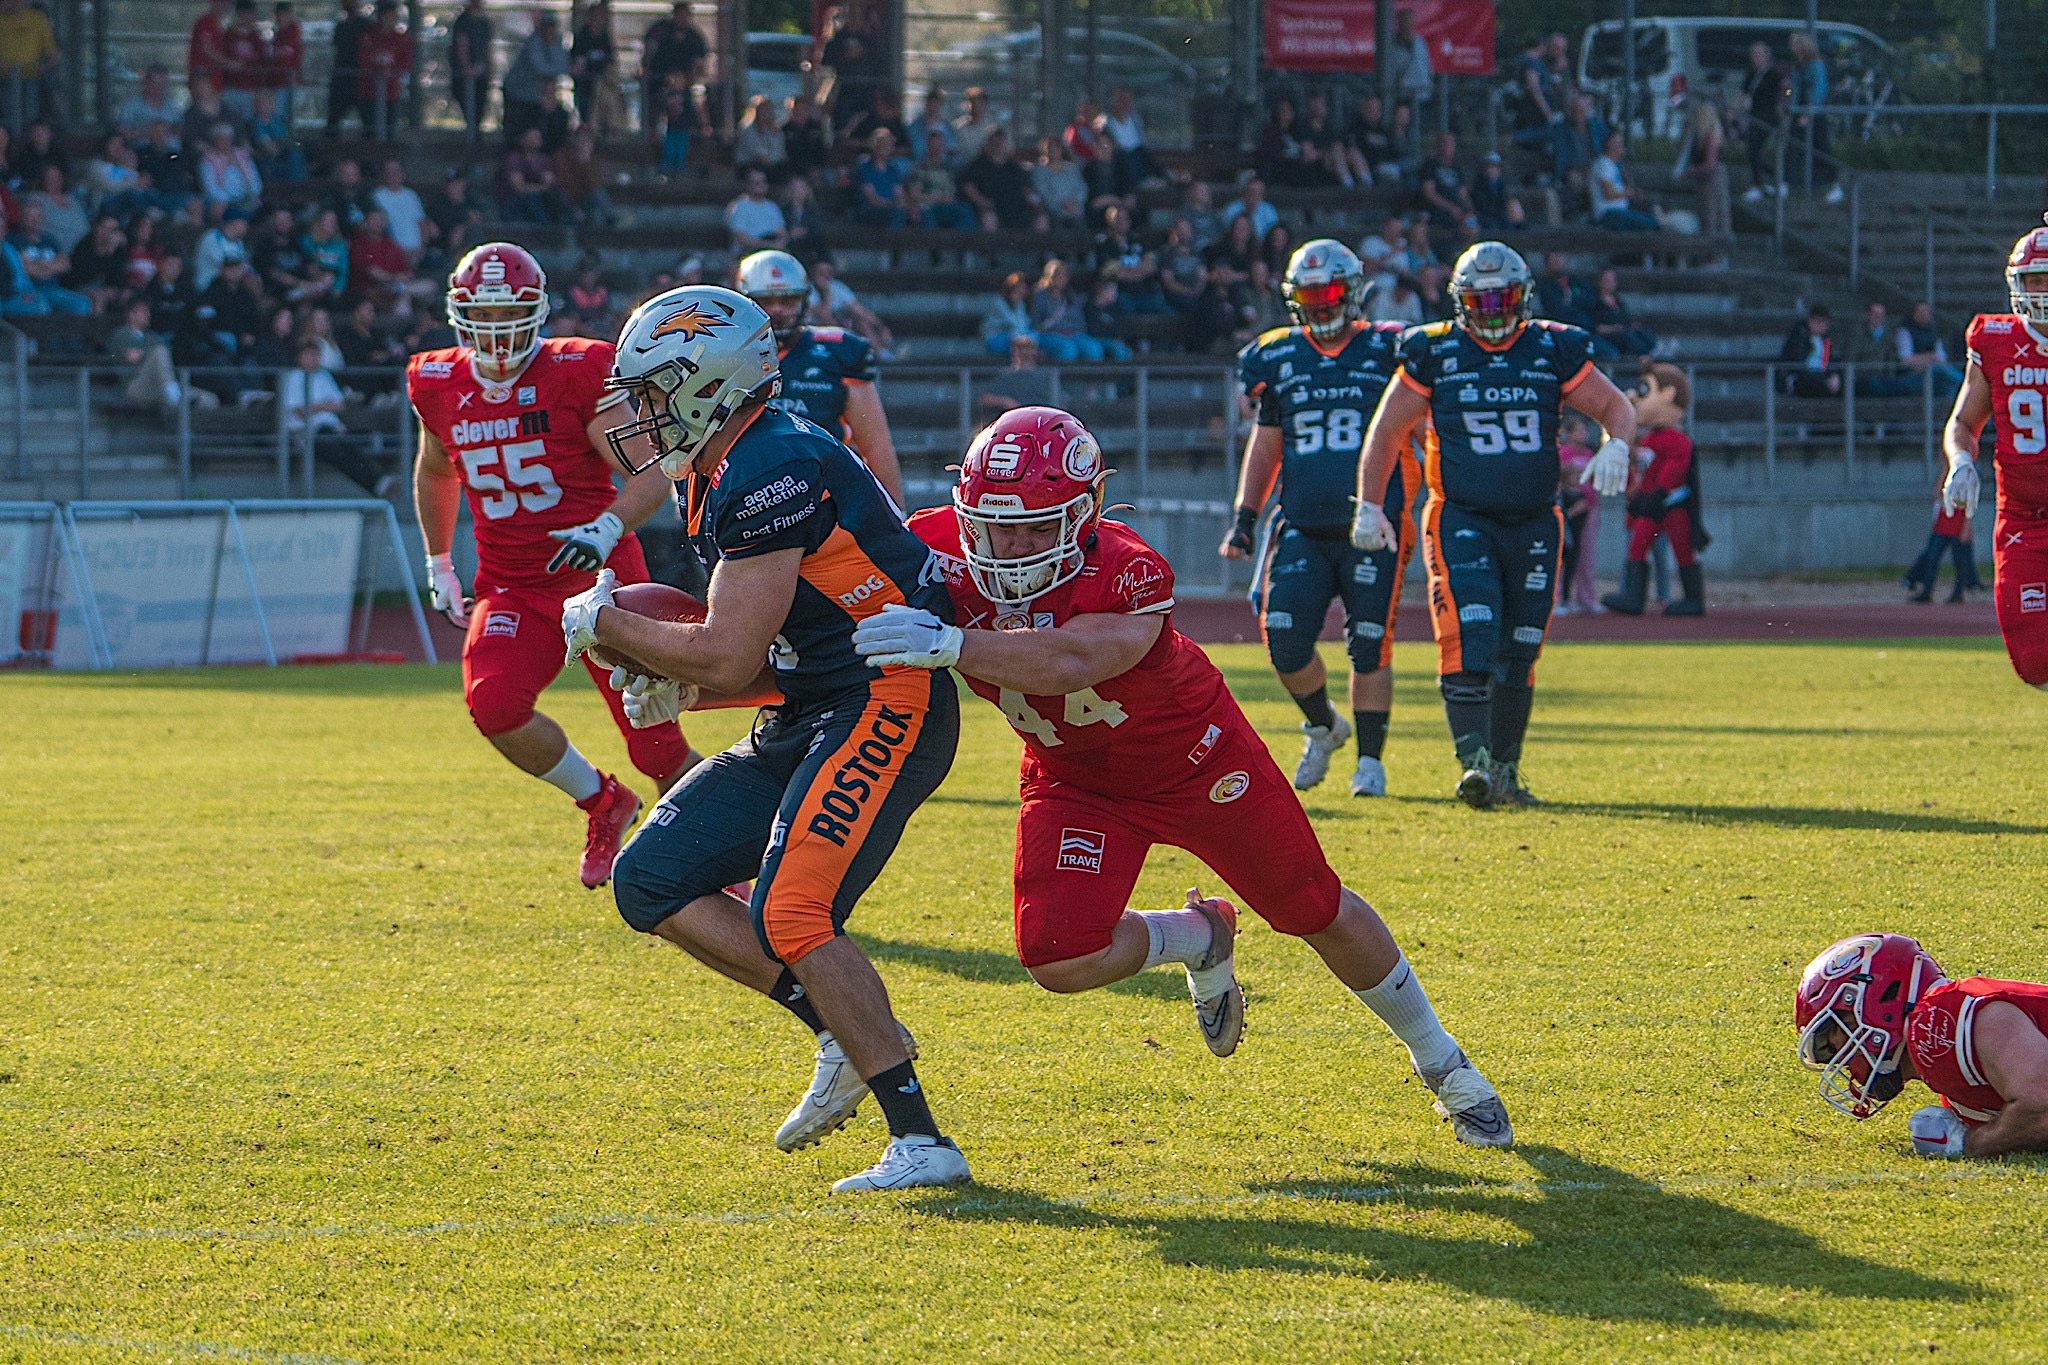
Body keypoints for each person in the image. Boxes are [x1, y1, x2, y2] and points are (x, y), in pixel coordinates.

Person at [861, 405, 1513, 1147]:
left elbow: (1072, 659)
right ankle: (1199, 936)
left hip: (1198, 762)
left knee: (1311, 906)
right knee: (1058, 954)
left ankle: (1445, 1064)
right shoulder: (930, 546)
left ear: (1085, 515)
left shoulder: (1129, 569)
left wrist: (948, 640)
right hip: (1073, 777)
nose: (1011, 545)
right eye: (996, 524)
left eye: (1038, 528)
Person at [584, 284, 969, 1194]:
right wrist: (682, 684)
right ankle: (836, 1028)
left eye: (653, 391)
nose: (639, 413)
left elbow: (723, 649)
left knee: (792, 911)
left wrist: (600, 618)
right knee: (648, 879)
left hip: (889, 697)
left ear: (709, 384)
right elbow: (776, 648)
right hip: (816, 700)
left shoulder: (768, 470)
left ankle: (921, 1138)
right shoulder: (725, 462)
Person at [408, 242, 699, 889]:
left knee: (652, 735)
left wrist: (605, 525)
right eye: (479, 314)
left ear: (535, 312)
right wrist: (437, 559)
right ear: (458, 315)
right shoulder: (436, 380)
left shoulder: (576, 369)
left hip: (598, 581)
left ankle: (716, 856)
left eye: (506, 312)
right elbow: (434, 470)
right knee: (495, 705)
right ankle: (603, 802)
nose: (493, 329)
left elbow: (654, 472)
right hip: (512, 583)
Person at [1352, 240, 1637, 807]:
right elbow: (1386, 430)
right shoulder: (1433, 351)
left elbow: (1615, 407)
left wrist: (1619, 443)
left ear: (1523, 296)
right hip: (1462, 516)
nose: (1490, 312)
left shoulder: (1552, 347)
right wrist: (1369, 503)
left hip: (1535, 520)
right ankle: (1473, 761)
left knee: (1521, 648)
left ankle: (1506, 770)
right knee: (1471, 637)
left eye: (1501, 298)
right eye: (1479, 301)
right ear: (1460, 301)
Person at [1225, 241, 1415, 798]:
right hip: (1303, 524)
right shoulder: (1277, 355)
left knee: (1370, 642)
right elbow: (1267, 444)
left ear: (1353, 291)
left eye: (1331, 292)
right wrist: (1245, 517)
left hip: (1375, 523)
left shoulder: (1389, 347)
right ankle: (1324, 725)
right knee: (1282, 637)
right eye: (1311, 294)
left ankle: (1371, 762)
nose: (1323, 304)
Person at [1794, 933, 2048, 1159]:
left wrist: (1966, 1143)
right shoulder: (1948, 1075)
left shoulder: (1944, 1018)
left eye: (1837, 1031)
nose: (1840, 1056)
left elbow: (2041, 1109)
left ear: (1883, 1000)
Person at [1937, 221, 2048, 688]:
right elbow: (1964, 422)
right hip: (2024, 518)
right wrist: (1961, 462)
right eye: (2033, 279)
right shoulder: (1996, 341)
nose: (2041, 289)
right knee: (2037, 662)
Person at [733, 249, 902, 504]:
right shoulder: (725, 355)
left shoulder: (838, 351)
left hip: (823, 499)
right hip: (742, 496)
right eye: (766, 300)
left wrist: (897, 516)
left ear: (803, 301)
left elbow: (875, 447)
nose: (777, 310)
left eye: (787, 301)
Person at [1600, 362, 1705, 618]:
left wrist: (1657, 493)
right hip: (1651, 504)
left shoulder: (1678, 440)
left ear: (1668, 395)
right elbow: (1643, 469)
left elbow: (1674, 470)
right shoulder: (1649, 439)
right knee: (1637, 547)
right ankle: (1634, 597)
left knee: (1682, 550)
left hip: (1671, 504)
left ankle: (1693, 599)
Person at [638, 0, 706, 157]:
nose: (683, 18)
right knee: (657, 109)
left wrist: (685, 80)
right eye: (679, 14)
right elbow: (648, 56)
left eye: (686, 15)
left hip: (684, 87)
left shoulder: (694, 37)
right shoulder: (661, 30)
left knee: (691, 107)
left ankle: (700, 136)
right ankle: (654, 139)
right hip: (658, 83)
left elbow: (699, 65)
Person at [1904, 473, 1982, 604]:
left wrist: (1967, 526)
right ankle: (1927, 591)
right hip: (1943, 522)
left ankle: (1958, 593)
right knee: (1932, 557)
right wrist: (1944, 470)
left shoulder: (1967, 474)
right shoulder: (1947, 474)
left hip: (1958, 523)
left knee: (1959, 561)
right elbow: (1936, 495)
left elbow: (1971, 502)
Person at [1788, 30, 1841, 206]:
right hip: (1798, 111)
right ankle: (1790, 182)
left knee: (1821, 147)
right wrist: (1790, 104)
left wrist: (1809, 112)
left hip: (1814, 113)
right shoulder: (1797, 66)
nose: (1792, 47)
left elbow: (1819, 89)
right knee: (1794, 146)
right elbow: (1793, 89)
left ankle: (1835, 184)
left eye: (1795, 44)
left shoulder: (1815, 65)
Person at [958, 128, 1043, 232]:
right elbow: (969, 188)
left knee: (1041, 218)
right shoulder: (977, 165)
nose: (997, 145)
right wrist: (982, 202)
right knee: (989, 218)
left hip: (1017, 207)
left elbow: (1027, 189)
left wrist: (1035, 202)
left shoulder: (1014, 166)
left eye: (1000, 142)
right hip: (991, 207)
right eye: (994, 142)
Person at [501, 9, 567, 144]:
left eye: (552, 26)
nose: (549, 30)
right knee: (518, 134)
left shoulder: (557, 41)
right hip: (518, 94)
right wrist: (567, 69)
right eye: (546, 26)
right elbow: (542, 68)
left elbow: (562, 61)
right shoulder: (533, 42)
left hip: (537, 99)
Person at [1555, 414, 1599, 615]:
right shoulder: (1563, 454)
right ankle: (1559, 597)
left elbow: (1592, 484)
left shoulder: (1590, 455)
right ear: (1569, 433)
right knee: (1564, 556)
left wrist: (1587, 502)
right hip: (1568, 510)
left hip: (1586, 509)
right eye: (1578, 430)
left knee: (1585, 557)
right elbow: (1561, 481)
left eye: (1584, 430)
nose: (1583, 434)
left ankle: (1586, 599)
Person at [568, 0, 622, 142]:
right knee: (588, 119)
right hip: (585, 88)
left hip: (603, 88)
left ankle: (611, 133)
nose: (599, 20)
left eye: (601, 16)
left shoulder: (605, 38)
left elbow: (610, 63)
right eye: (596, 16)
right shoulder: (581, 38)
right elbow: (577, 65)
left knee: (609, 100)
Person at [1740, 40, 1787, 202]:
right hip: (1754, 116)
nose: (1756, 58)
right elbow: (1744, 94)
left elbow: (1786, 89)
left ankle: (1760, 184)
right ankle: (1774, 178)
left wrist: (1786, 97)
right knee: (1752, 150)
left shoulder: (1774, 75)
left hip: (1768, 117)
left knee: (1755, 148)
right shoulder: (1751, 74)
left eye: (1759, 54)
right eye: (1754, 54)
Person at [356, 0, 411, 139]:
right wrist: (378, 70)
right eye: (388, 16)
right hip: (369, 92)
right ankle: (368, 160)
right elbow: (363, 60)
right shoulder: (369, 35)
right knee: (370, 131)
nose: (391, 19)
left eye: (393, 16)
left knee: (389, 131)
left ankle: (388, 160)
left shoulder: (401, 39)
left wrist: (391, 73)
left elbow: (405, 64)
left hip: (390, 93)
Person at [1099, 85, 1164, 196]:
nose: (1124, 103)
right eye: (1120, 99)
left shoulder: (1135, 120)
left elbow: (1142, 141)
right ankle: (1138, 186)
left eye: (1127, 99)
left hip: (1138, 154)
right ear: (1113, 100)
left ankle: (1162, 180)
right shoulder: (1105, 122)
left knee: (1145, 156)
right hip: (1119, 157)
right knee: (1126, 158)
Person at [1591, 131, 1659, 231]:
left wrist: (1632, 193)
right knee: (1649, 224)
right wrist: (1628, 193)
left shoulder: (1612, 165)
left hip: (1619, 211)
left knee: (1653, 218)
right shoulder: (1603, 165)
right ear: (1611, 146)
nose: (1623, 146)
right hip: (1608, 214)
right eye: (1620, 143)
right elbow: (1609, 194)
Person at [906, 133, 972, 231]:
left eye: (940, 146)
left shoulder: (949, 168)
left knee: (965, 210)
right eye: (934, 146)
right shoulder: (919, 168)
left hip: (948, 206)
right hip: (928, 207)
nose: (937, 149)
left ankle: (964, 243)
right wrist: (940, 199)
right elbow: (914, 195)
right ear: (928, 147)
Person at [1899, 301, 1964, 401]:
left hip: (1933, 373)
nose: (1924, 315)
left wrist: (1929, 360)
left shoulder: (1933, 333)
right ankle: (1965, 383)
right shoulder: (1905, 332)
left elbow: (1941, 358)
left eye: (1926, 312)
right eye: (1921, 312)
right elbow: (1905, 360)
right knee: (1946, 374)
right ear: (1914, 314)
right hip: (1914, 374)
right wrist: (1929, 358)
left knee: (1948, 384)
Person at [1687, 95, 1732, 238]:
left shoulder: (1713, 134)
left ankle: (1716, 253)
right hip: (1704, 178)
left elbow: (1710, 164)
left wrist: (1690, 170)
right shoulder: (1698, 134)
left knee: (1713, 214)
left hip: (1712, 178)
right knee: (1707, 214)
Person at [1585, 268, 1656, 358]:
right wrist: (1614, 328)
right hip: (1608, 335)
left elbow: (1626, 318)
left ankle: (1650, 355)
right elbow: (1595, 327)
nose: (1611, 283)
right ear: (1600, 281)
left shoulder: (1619, 301)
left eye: (1612, 279)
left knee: (1643, 332)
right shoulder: (1594, 302)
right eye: (1607, 280)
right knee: (1628, 337)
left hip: (1624, 329)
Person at [449, 0, 493, 139]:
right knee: (468, 104)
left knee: (479, 107)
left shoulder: (485, 23)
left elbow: (487, 48)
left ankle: (475, 136)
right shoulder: (463, 21)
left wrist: (490, 70)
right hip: (463, 75)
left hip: (481, 74)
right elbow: (461, 43)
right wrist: (466, 66)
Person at [325, 0, 371, 134]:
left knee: (369, 122)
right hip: (341, 78)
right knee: (333, 121)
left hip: (360, 79)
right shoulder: (340, 27)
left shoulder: (365, 26)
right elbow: (336, 52)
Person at [849, 127, 908, 230]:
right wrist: (892, 204)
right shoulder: (864, 169)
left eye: (889, 145)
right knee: (897, 213)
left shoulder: (893, 170)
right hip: (870, 210)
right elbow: (871, 198)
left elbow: (899, 194)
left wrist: (902, 204)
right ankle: (896, 242)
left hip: (892, 208)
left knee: (921, 212)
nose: (888, 148)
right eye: (884, 144)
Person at [1417, 131, 1474, 232]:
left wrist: (1470, 210)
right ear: (1438, 145)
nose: (1449, 146)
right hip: (1438, 211)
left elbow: (1463, 193)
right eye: (1446, 143)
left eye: (1452, 143)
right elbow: (1429, 193)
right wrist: (1451, 208)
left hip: (1459, 212)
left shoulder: (1456, 167)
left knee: (1473, 224)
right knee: (1461, 225)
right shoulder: (1429, 166)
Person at [1778, 304, 1840, 397]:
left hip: (1821, 377)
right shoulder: (1799, 336)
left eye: (1825, 323)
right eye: (1818, 322)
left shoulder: (1826, 340)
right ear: (1810, 321)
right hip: (1800, 378)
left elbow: (1828, 360)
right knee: (1816, 385)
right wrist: (1822, 379)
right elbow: (1799, 364)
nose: (1822, 326)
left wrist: (1833, 375)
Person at [725, 167, 787, 252]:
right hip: (747, 253)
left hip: (772, 252)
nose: (761, 185)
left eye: (763, 181)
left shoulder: (772, 207)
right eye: (756, 183)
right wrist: (767, 245)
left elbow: (781, 233)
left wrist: (778, 244)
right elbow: (741, 238)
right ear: (749, 185)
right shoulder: (740, 207)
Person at [732, 95, 786, 180]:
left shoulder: (777, 133)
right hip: (749, 166)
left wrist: (774, 158)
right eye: (763, 111)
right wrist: (773, 157)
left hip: (771, 165)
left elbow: (781, 154)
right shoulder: (748, 132)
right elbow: (760, 156)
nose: (766, 114)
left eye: (768, 111)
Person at [267, 2, 303, 126]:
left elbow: (288, 58)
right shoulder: (278, 34)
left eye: (284, 14)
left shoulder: (293, 31)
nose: (281, 18)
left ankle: (288, 142)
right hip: (278, 82)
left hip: (290, 81)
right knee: (278, 116)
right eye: (279, 15)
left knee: (287, 117)